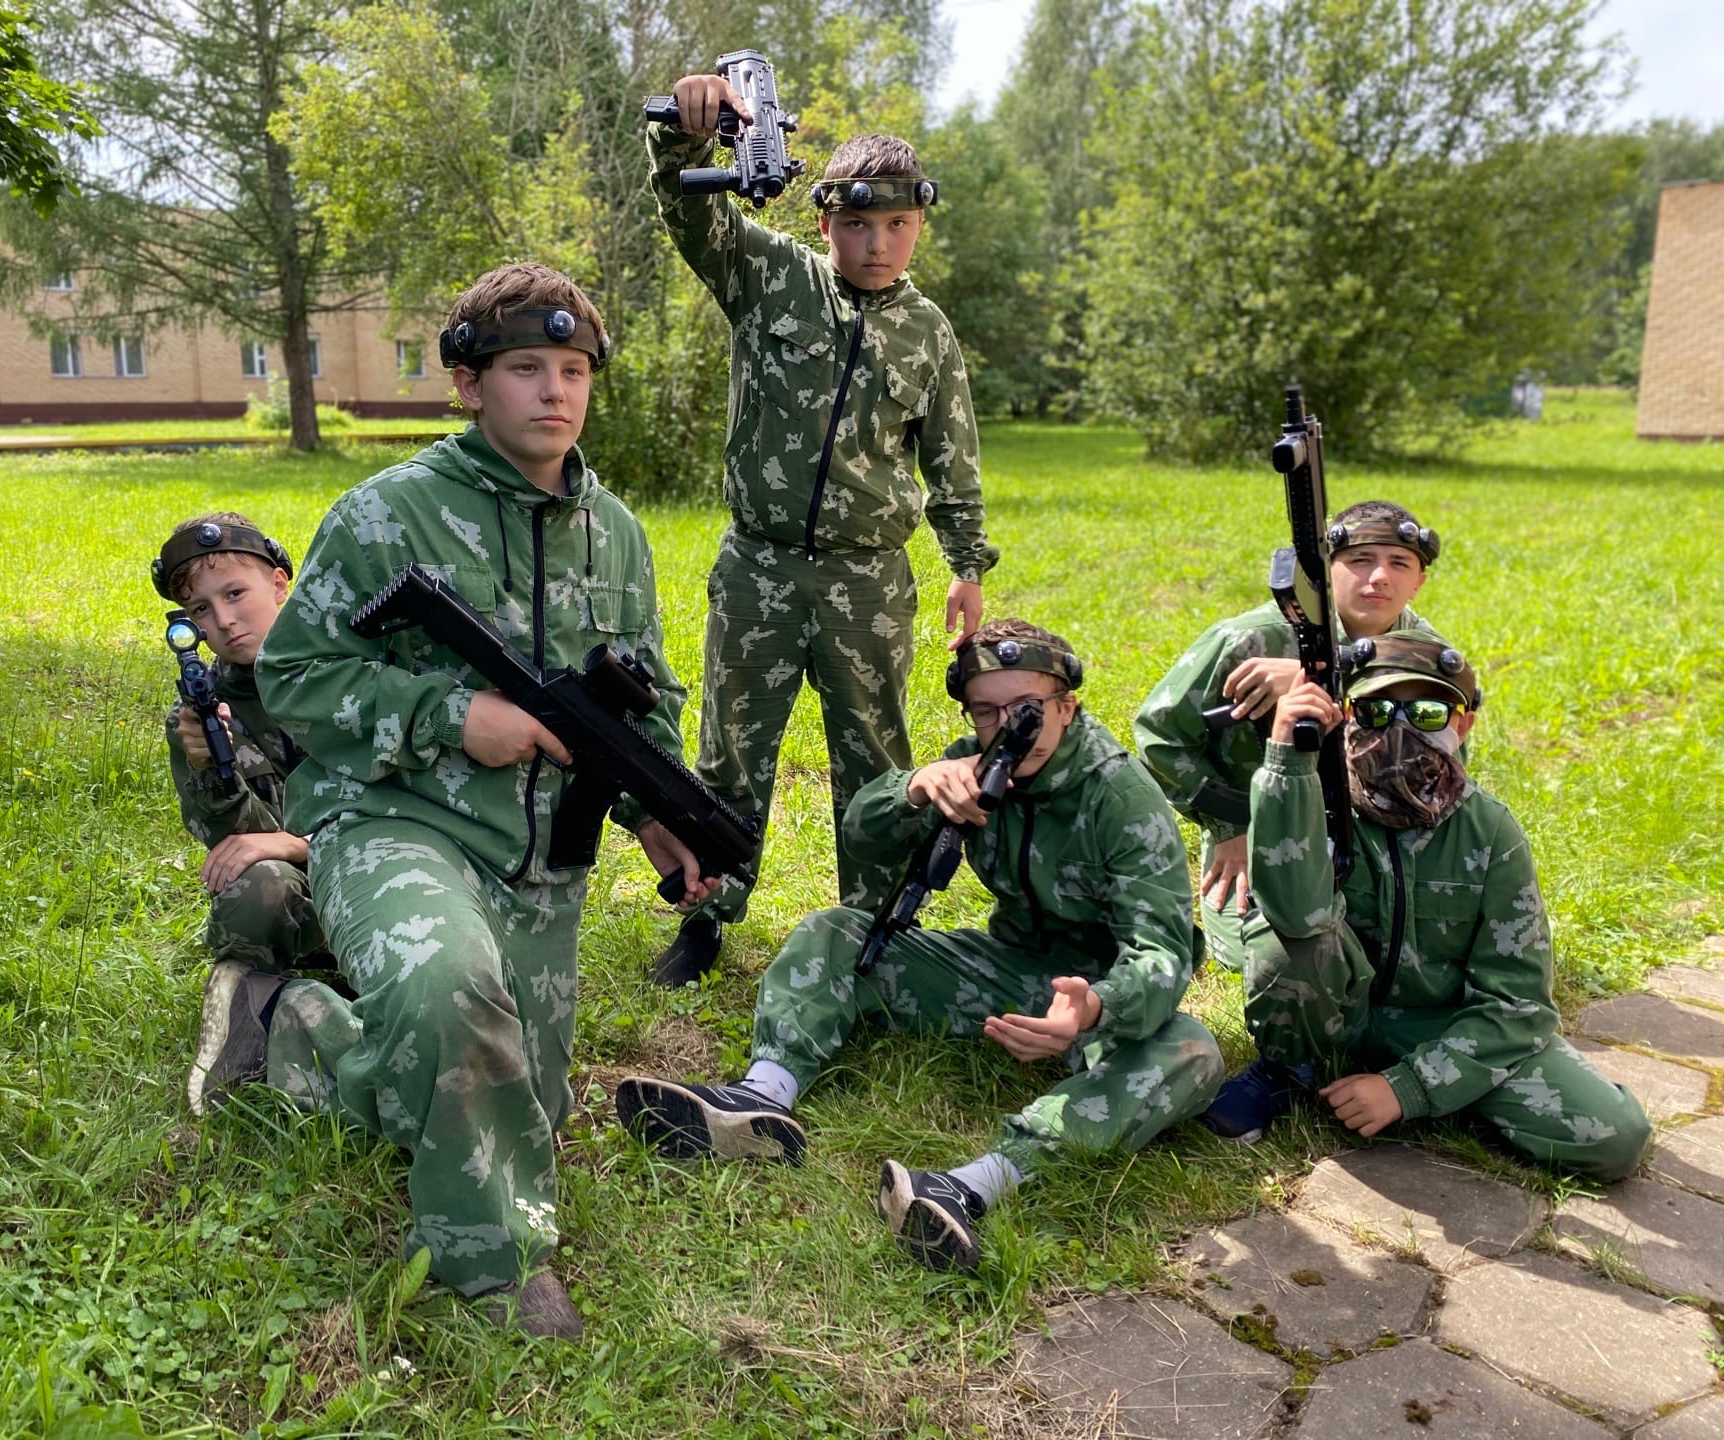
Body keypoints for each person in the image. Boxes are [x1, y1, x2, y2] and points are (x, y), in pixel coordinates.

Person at [196, 262, 715, 1340]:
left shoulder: (616, 533)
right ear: (469, 383)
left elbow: (640, 701)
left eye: (573, 371)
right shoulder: (389, 514)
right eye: (526, 368)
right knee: (452, 1003)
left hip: (540, 861)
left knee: (500, 1092)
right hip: (394, 824)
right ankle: (491, 1270)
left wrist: (660, 815)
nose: (554, 392)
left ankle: (290, 1024)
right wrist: (447, 713)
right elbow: (291, 675)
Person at [616, 620, 1225, 1271]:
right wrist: (917, 787)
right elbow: (861, 835)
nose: (1005, 726)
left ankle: (970, 1186)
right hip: (1014, 975)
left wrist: (1095, 1008)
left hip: (1107, 1005)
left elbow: (1161, 954)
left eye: (1026, 709)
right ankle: (763, 1099)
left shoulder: (1121, 798)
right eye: (985, 711)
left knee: (1192, 1050)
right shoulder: (979, 766)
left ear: (1067, 705)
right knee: (835, 932)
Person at [644, 73, 999, 985]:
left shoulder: (929, 332)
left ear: (919, 225)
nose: (874, 244)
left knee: (874, 759)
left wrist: (966, 563)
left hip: (867, 582)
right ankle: (709, 912)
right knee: (731, 750)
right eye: (855, 224)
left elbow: (951, 454)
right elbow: (690, 218)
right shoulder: (769, 277)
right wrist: (688, 135)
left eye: (895, 226)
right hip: (759, 567)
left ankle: (870, 931)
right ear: (823, 221)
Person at [1200, 635, 1650, 1181]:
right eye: (1376, 710)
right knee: (1280, 943)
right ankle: (1291, 1065)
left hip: (1440, 1027)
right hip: (1339, 1009)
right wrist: (1286, 761)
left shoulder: (1491, 834)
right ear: (1345, 715)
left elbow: (1519, 1004)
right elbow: (1292, 915)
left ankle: (1434, 1086)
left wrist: (1409, 1087)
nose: (1399, 730)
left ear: (1462, 726)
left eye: (1428, 712)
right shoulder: (1312, 798)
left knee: (1614, 1137)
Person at [1134, 500, 1445, 973]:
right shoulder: (1250, 640)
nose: (1379, 577)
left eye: (1399, 563)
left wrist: (1318, 679)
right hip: (1260, 828)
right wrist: (1231, 824)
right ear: (1323, 570)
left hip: (1371, 827)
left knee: (1403, 958)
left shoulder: (1428, 655)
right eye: (1361, 560)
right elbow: (1160, 734)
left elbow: (1443, 762)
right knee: (1265, 961)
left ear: (1418, 581)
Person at [154, 513, 327, 1001]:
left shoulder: (350, 674)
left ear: (278, 584)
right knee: (256, 889)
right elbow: (234, 853)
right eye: (200, 610)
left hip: (390, 873)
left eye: (234, 594)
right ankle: (253, 1007)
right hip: (307, 897)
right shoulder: (202, 716)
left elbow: (410, 808)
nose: (224, 621)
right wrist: (211, 768)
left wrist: (296, 844)